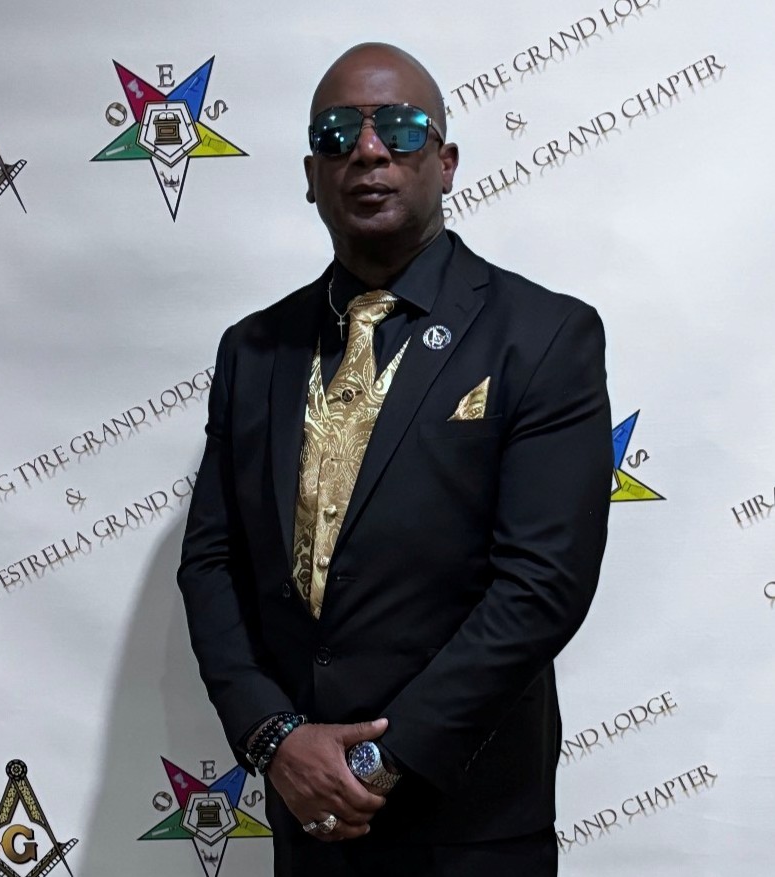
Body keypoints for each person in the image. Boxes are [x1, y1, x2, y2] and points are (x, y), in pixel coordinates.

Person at [178, 41, 613, 877]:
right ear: (312, 175)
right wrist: (275, 739)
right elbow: (211, 560)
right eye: (337, 133)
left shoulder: (543, 335)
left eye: (401, 128)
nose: (368, 150)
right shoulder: (253, 349)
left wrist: (377, 762)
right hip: (306, 816)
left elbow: (542, 583)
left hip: (468, 822)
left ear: (444, 163)